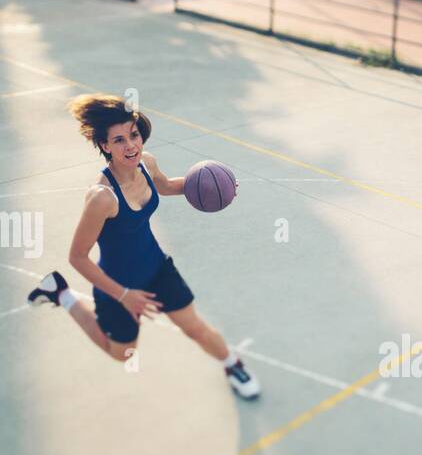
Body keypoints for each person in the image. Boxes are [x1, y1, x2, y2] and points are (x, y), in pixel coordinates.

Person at [28, 94, 260, 399]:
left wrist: (220, 190)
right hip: (118, 284)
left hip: (156, 268)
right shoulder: (101, 198)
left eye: (134, 135)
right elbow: (78, 257)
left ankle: (232, 364)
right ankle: (62, 294)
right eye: (119, 140)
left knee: (196, 327)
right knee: (122, 354)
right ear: (104, 146)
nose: (131, 146)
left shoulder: (147, 164)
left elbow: (166, 186)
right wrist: (125, 296)